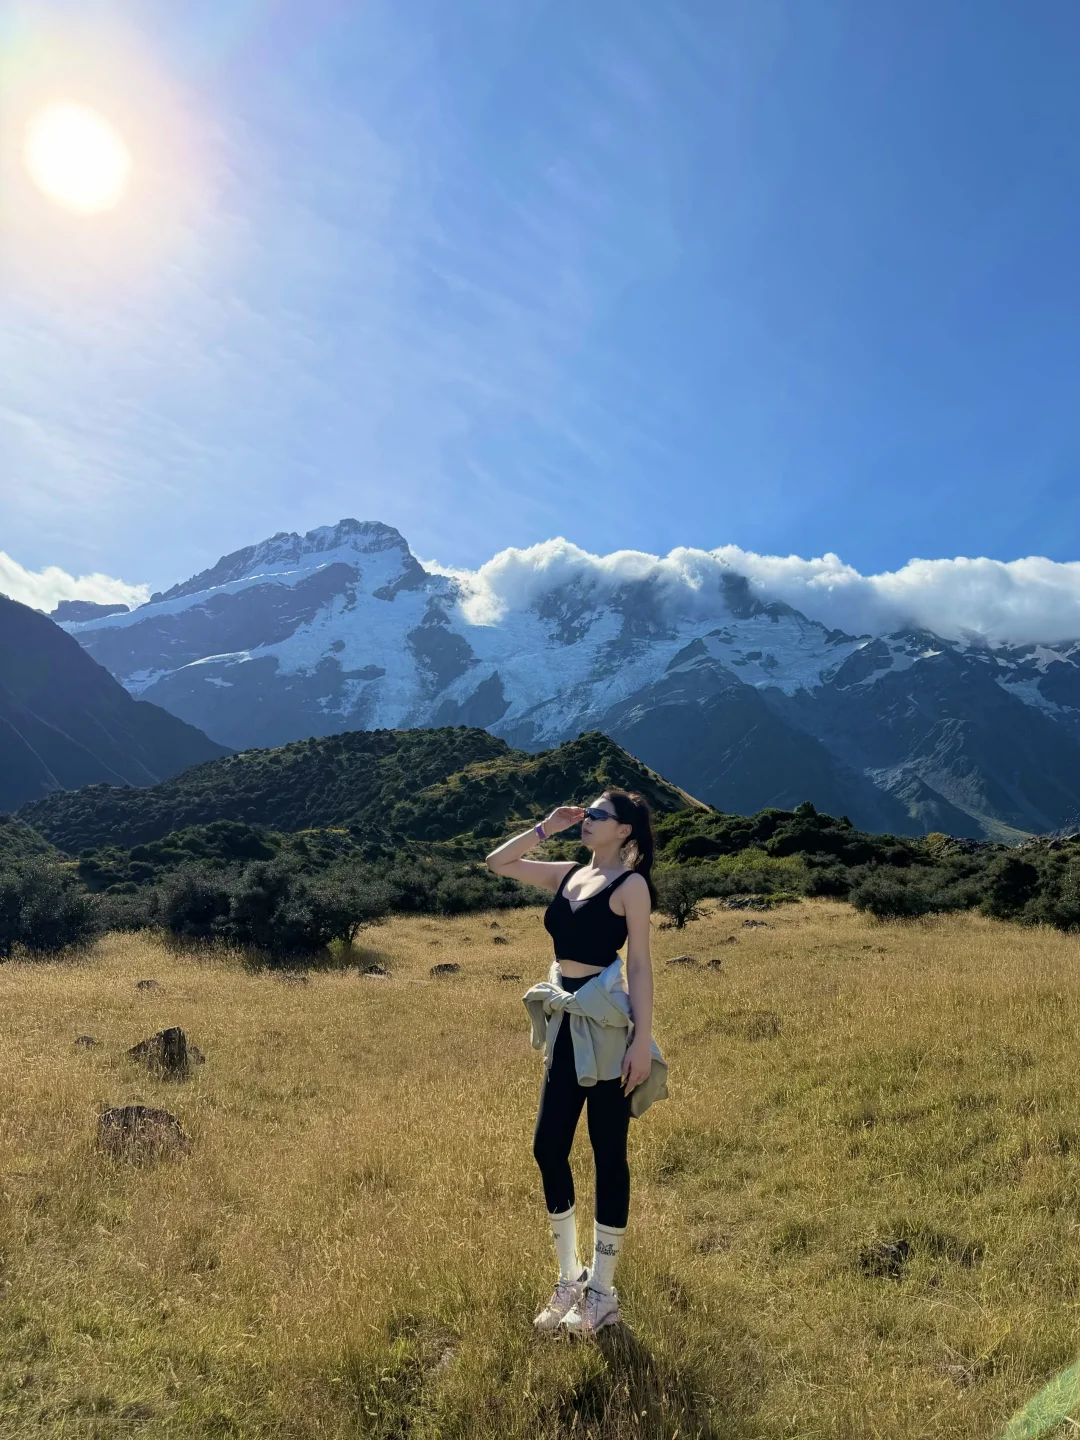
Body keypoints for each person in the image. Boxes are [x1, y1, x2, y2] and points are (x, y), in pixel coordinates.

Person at [485, 788, 668, 1338]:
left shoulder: (630, 886)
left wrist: (643, 1041)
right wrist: (547, 826)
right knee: (547, 1146)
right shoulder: (566, 874)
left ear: (625, 832)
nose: (586, 820)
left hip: (609, 1025)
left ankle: (602, 1294)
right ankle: (570, 1278)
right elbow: (499, 863)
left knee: (608, 1152)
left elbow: (639, 965)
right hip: (565, 1020)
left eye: (597, 816)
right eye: (585, 812)